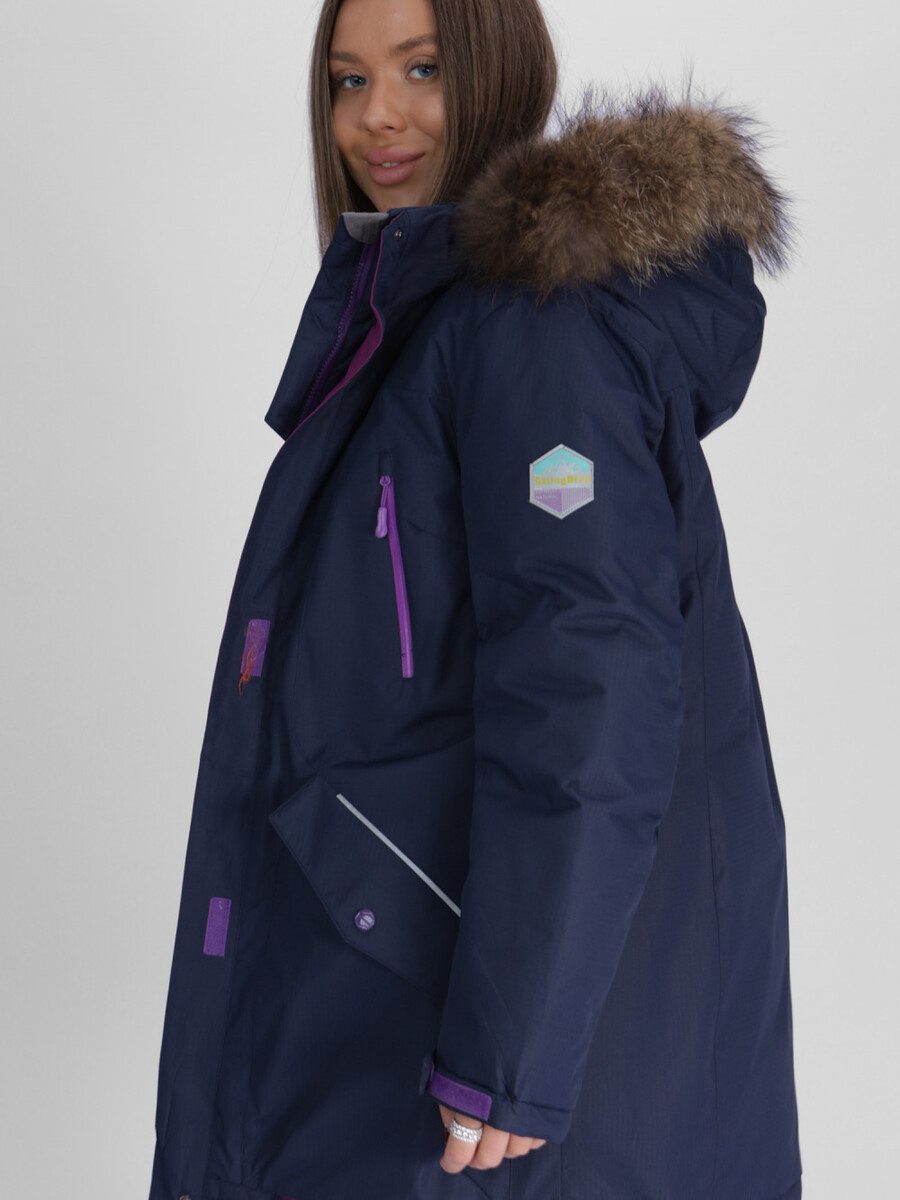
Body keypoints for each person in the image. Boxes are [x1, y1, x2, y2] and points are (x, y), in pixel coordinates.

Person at [147, 0, 803, 1196]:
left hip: (476, 1066)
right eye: (348, 80)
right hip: (398, 997)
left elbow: (590, 685)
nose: (377, 117)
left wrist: (511, 1059)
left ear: (503, 69)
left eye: (422, 68)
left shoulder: (536, 334)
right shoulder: (433, 326)